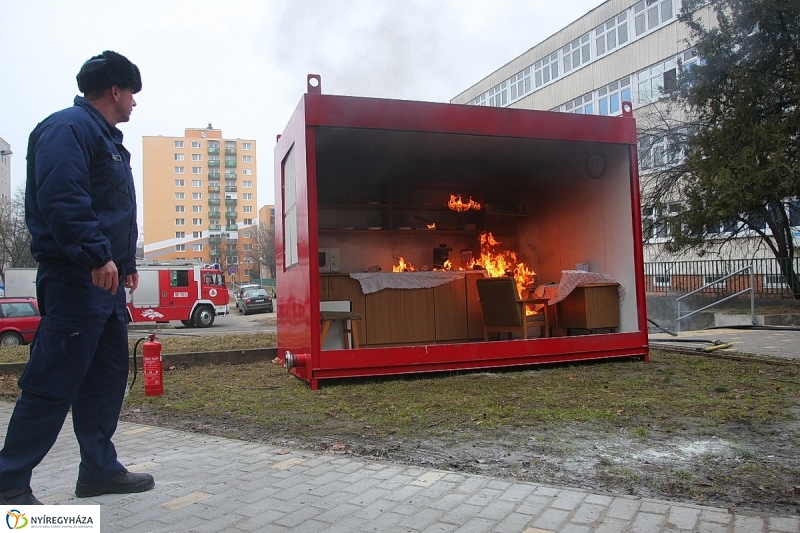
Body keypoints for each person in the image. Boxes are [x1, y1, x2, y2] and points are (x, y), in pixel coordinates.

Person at [0, 51, 154, 505]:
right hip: (75, 280)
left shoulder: (104, 138)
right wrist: (95, 256)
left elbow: (108, 210)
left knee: (104, 380)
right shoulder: (67, 128)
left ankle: (98, 470)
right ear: (115, 91)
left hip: (104, 283)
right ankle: (8, 481)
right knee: (53, 381)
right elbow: (63, 198)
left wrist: (122, 264)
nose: (134, 103)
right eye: (132, 94)